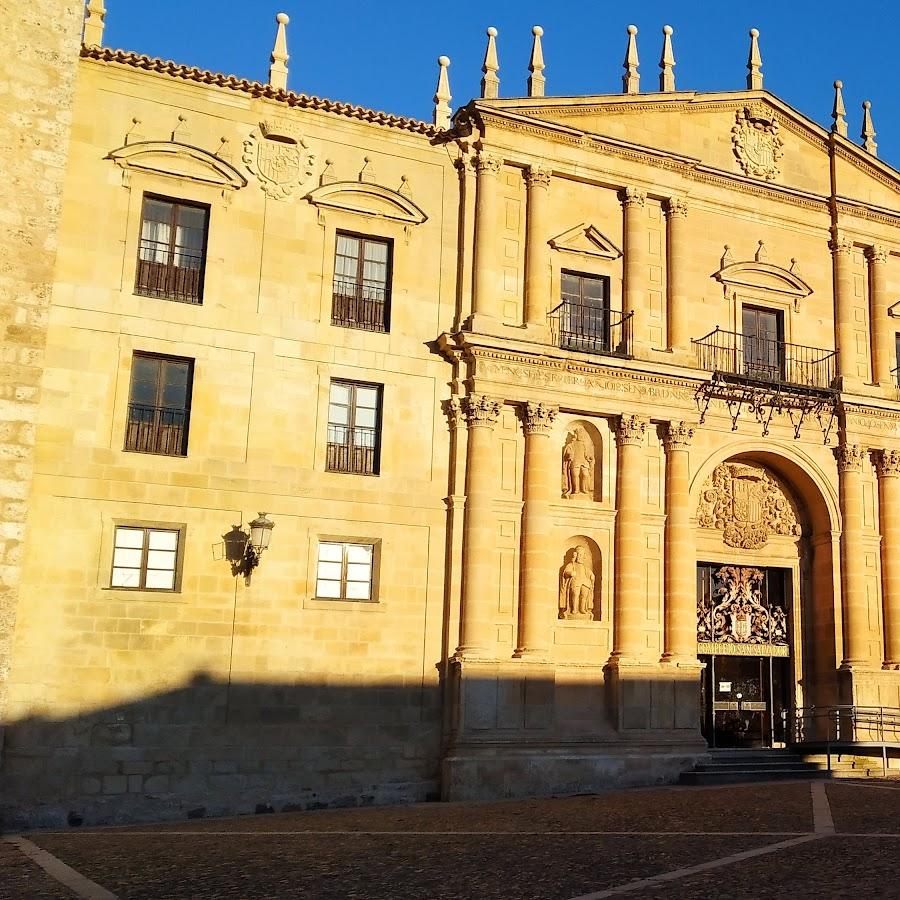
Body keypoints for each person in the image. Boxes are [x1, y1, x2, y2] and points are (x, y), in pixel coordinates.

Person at [559, 545, 595, 619]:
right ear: (576, 555)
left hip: (584, 581)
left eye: (582, 555)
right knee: (575, 594)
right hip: (576, 581)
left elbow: (588, 572)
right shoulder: (571, 565)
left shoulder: (585, 567)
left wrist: (591, 575)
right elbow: (565, 572)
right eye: (580, 555)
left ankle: (582, 608)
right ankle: (574, 609)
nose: (581, 557)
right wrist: (570, 573)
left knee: (584, 594)